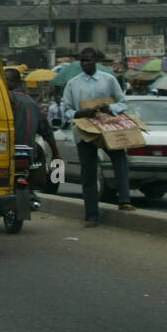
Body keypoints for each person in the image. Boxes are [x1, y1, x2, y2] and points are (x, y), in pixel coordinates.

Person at [61, 47, 134, 227]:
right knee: (89, 172)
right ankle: (91, 215)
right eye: (83, 61)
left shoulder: (108, 80)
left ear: (96, 61)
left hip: (108, 128)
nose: (86, 64)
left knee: (119, 160)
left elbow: (122, 102)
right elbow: (66, 109)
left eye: (89, 60)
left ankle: (124, 199)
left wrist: (112, 109)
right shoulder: (73, 84)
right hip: (85, 132)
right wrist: (79, 113)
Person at [5, 69, 59, 207]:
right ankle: (32, 190)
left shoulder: (6, 99)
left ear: (16, 82)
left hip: (6, 151)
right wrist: (56, 153)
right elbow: (46, 131)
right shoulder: (33, 103)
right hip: (29, 152)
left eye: (7, 80)